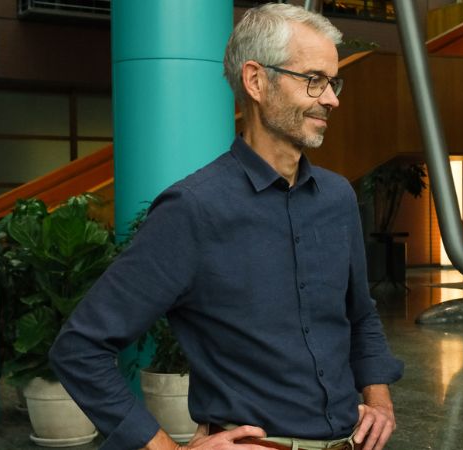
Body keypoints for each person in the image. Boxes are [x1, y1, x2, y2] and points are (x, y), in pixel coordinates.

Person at [50, 4, 403, 450]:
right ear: (256, 81)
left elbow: (360, 314)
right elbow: (79, 349)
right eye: (313, 79)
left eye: (333, 82)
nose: (331, 98)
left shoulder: (338, 197)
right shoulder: (192, 210)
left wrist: (379, 398)